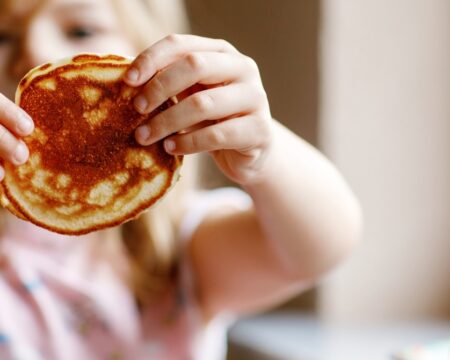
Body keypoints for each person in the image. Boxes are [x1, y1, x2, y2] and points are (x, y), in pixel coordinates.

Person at [0, 0, 362, 359]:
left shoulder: (178, 250)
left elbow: (318, 250)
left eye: (81, 29)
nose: (36, 51)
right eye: (2, 36)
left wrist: (267, 156)